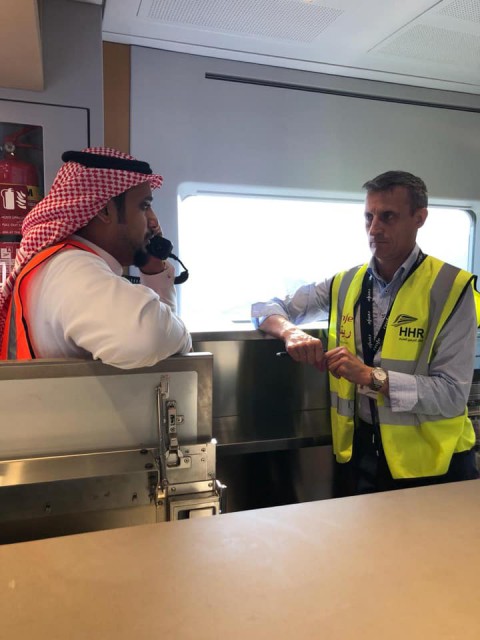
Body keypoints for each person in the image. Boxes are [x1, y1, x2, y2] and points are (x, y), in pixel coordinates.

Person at [252, 170, 480, 494]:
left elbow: (452, 395)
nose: (374, 229)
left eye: (388, 216)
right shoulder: (346, 283)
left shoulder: (451, 289)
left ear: (419, 218)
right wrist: (291, 333)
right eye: (368, 217)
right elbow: (264, 308)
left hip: (435, 464)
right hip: (363, 454)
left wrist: (372, 377)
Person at [0, 147, 191, 369]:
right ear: (105, 211)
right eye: (145, 207)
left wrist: (154, 271)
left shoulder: (62, 262)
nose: (154, 221)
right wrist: (182, 335)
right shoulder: (71, 267)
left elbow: (161, 345)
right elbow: (149, 338)